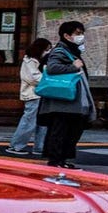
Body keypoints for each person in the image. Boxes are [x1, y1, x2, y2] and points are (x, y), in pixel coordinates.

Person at [38, 19, 94, 167]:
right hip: (62, 102)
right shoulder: (60, 50)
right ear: (67, 36)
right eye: (77, 33)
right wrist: (74, 67)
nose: (81, 36)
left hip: (68, 102)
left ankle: (62, 160)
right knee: (61, 132)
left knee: (70, 131)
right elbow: (52, 68)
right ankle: (56, 161)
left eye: (82, 33)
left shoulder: (70, 50)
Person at [8, 36, 49, 156]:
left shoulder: (38, 61)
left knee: (42, 122)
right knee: (29, 121)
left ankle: (40, 147)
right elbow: (33, 78)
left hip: (41, 95)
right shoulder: (29, 61)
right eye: (46, 49)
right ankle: (16, 145)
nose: (48, 52)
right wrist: (48, 79)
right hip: (33, 95)